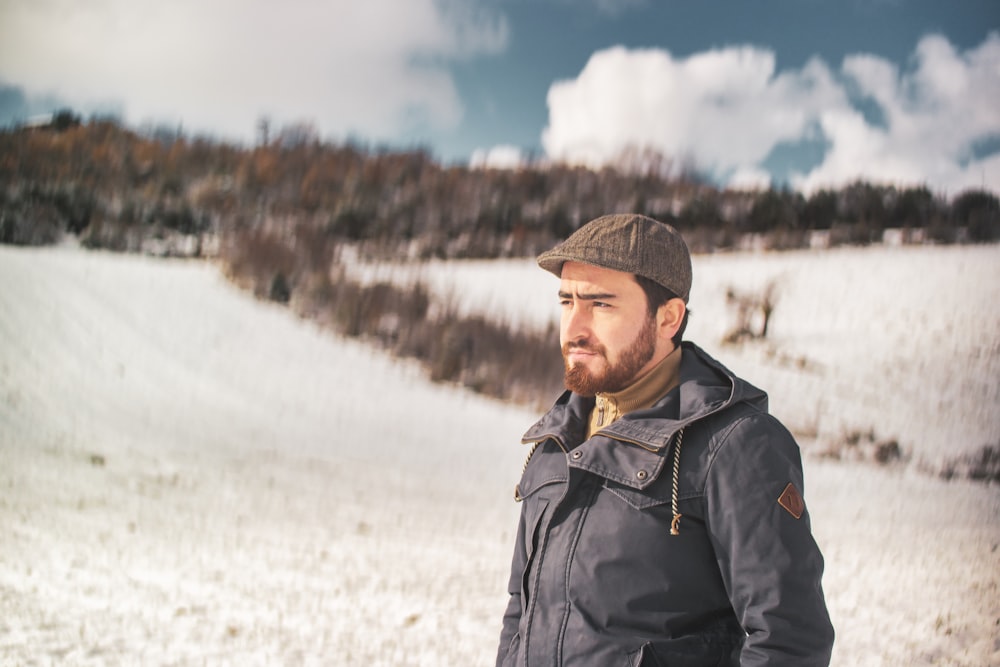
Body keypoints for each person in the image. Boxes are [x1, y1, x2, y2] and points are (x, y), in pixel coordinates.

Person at [495, 214, 834, 666]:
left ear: (668, 318)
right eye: (566, 302)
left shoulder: (735, 446)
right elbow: (521, 612)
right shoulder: (556, 439)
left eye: (600, 305)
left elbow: (789, 640)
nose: (574, 327)